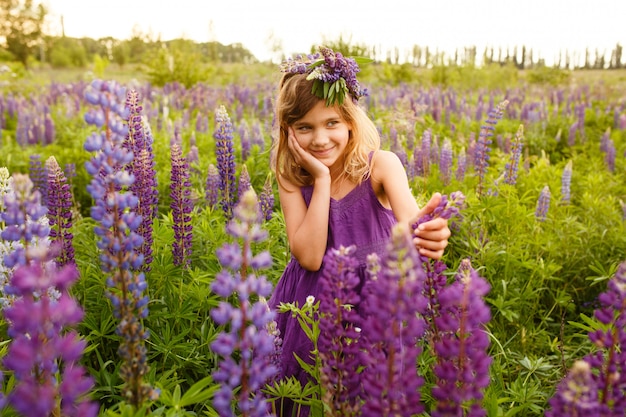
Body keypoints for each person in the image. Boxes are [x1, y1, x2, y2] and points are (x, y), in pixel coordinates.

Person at [268, 46, 451, 416]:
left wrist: (432, 234)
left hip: (372, 305)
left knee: (370, 395)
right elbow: (310, 255)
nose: (320, 139)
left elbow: (413, 228)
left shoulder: (381, 166)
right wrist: (320, 181)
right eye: (305, 127)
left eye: (331, 123)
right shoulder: (291, 176)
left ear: (351, 120)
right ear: (288, 131)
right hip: (310, 308)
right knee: (302, 394)